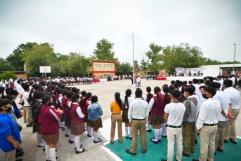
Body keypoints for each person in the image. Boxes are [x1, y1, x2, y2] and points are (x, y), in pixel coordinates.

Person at [194, 86, 222, 161]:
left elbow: (201, 117)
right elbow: (219, 113)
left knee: (204, 145)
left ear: (209, 93)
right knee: (212, 143)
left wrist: (198, 127)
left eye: (205, 92)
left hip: (206, 127)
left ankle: (202, 159)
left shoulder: (205, 103)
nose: (203, 93)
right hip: (215, 125)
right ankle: (210, 159)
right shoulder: (217, 102)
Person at [161, 89, 185, 161]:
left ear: (171, 96)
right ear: (180, 96)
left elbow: (165, 118)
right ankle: (179, 159)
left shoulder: (168, 106)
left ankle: (169, 159)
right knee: (179, 144)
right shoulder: (183, 106)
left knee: (170, 144)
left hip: (171, 127)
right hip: (179, 127)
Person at [38, 95, 62, 161]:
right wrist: (59, 112)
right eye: (51, 100)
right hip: (51, 130)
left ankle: (48, 157)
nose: (52, 102)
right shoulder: (48, 109)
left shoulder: (42, 107)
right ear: (47, 101)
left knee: (47, 144)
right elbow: (57, 117)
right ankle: (53, 159)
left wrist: (54, 110)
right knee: (52, 146)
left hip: (44, 129)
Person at [126, 88, 149, 155]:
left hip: (134, 121)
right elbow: (147, 113)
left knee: (134, 136)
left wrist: (130, 121)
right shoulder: (145, 103)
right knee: (143, 135)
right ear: (141, 94)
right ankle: (143, 148)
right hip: (142, 121)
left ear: (135, 94)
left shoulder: (132, 103)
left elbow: (129, 113)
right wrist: (146, 121)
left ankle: (133, 150)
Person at [211, 82, 230, 152]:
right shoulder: (224, 93)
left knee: (216, 134)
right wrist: (227, 114)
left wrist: (224, 114)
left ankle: (214, 149)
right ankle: (221, 147)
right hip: (224, 117)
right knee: (222, 132)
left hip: (219, 117)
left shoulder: (216, 94)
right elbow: (229, 103)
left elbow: (219, 106)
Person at [223, 79, 240, 144]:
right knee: (231, 123)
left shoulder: (226, 91)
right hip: (237, 108)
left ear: (224, 84)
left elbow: (226, 102)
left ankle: (230, 138)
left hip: (231, 109)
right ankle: (229, 137)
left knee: (229, 124)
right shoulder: (236, 90)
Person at [182, 86, 198, 156]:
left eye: (185, 91)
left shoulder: (188, 101)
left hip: (188, 121)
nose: (184, 92)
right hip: (194, 120)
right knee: (192, 135)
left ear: (187, 92)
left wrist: (183, 121)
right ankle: (192, 148)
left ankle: (186, 151)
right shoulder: (195, 99)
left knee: (187, 136)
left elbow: (185, 113)